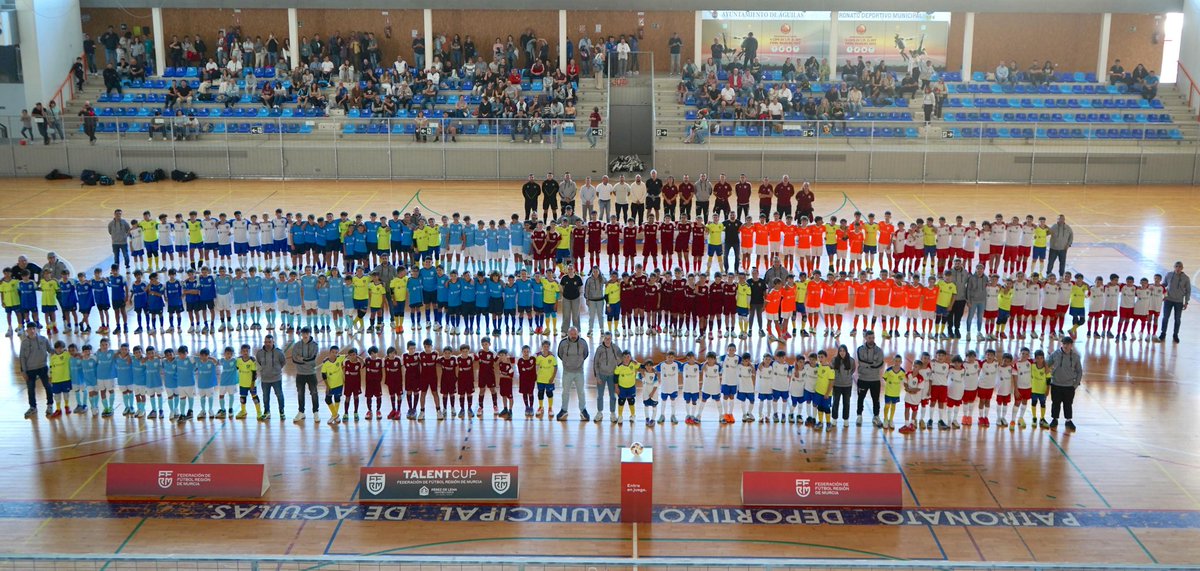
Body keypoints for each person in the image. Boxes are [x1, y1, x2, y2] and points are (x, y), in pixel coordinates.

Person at [1046, 336, 1082, 432]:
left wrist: (1075, 384)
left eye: (1068, 344)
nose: (1065, 346)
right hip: (1056, 384)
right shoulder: (1055, 354)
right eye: (1064, 344)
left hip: (1069, 386)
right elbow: (1047, 365)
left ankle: (1068, 420)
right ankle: (1054, 419)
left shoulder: (1075, 356)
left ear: (1071, 345)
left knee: (1068, 404)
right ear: (1061, 344)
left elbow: (1079, 371)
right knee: (1055, 403)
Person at [19, 322, 53, 418]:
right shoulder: (24, 343)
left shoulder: (43, 339)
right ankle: (33, 407)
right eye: (30, 329)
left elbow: (50, 350)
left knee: (47, 386)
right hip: (30, 370)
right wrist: (23, 371)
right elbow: (22, 357)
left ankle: (50, 405)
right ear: (27, 331)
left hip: (42, 367)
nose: (32, 331)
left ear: (37, 329)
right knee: (30, 389)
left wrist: (62, 351)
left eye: (34, 328)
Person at [555, 327, 589, 421]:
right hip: (567, 372)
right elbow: (560, 354)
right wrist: (567, 363)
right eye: (571, 334)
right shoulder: (563, 343)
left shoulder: (583, 343)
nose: (573, 336)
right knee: (565, 392)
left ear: (578, 333)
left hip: (579, 372)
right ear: (568, 334)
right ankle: (564, 410)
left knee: (581, 392)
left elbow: (586, 354)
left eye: (575, 334)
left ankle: (583, 410)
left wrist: (578, 362)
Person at [854, 330, 883, 427]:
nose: (871, 340)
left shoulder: (879, 350)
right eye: (869, 338)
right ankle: (859, 415)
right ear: (865, 338)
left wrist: (868, 365)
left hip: (875, 379)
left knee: (876, 399)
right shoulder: (860, 349)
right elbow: (861, 362)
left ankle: (876, 416)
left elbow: (880, 364)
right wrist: (872, 364)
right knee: (860, 398)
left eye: (873, 338)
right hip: (863, 379)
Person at [1157, 261, 1190, 343]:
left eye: (1179, 267)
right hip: (1168, 300)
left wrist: (1186, 302)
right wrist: (1155, 286)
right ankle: (1163, 333)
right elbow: (1164, 285)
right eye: (1176, 266)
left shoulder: (1186, 278)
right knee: (1165, 318)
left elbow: (1188, 291)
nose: (1178, 268)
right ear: (1174, 267)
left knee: (1177, 319)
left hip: (1179, 302)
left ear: (1182, 268)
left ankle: (1175, 334)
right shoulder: (1169, 275)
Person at [559, 263, 583, 333]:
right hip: (566, 298)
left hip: (576, 299)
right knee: (566, 315)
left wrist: (576, 294)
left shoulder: (578, 278)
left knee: (576, 316)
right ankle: (564, 330)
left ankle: (577, 331)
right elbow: (562, 287)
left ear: (574, 270)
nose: (570, 270)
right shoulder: (564, 278)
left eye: (571, 269)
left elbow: (579, 287)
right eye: (569, 269)